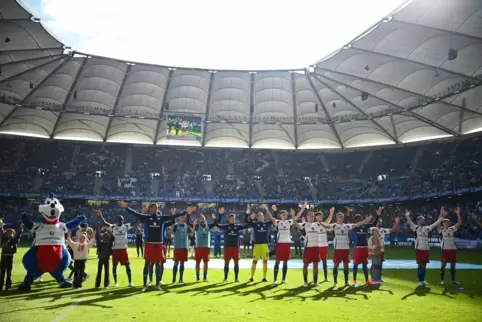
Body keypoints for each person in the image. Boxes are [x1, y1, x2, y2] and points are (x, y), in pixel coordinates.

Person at [117, 203, 190, 291]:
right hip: (150, 244)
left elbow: (172, 217)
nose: (155, 209)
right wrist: (126, 207)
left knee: (158, 264)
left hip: (159, 244)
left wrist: (185, 212)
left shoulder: (161, 218)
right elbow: (135, 213)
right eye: (153, 207)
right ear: (151, 209)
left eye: (156, 207)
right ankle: (144, 285)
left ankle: (157, 284)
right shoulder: (147, 217)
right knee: (147, 264)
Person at [319, 212, 373, 287]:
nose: (341, 218)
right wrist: (319, 222)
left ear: (343, 218)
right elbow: (325, 226)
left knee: (346, 265)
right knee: (336, 265)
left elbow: (357, 225)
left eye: (342, 217)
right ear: (337, 218)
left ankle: (346, 282)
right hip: (338, 249)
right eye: (339, 217)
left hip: (345, 249)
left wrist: (365, 221)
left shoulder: (346, 226)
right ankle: (335, 282)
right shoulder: (334, 225)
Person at [405, 207, 446, 286]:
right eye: (421, 219)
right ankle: (420, 281)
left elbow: (435, 224)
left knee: (424, 265)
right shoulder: (416, 228)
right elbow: (410, 223)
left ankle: (423, 280)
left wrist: (441, 217)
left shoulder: (427, 228)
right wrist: (407, 216)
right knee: (420, 265)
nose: (423, 220)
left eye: (423, 219)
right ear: (418, 221)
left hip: (426, 249)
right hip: (419, 249)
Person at [267, 204, 305, 285]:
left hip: (287, 244)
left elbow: (297, 216)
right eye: (283, 215)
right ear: (280, 216)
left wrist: (303, 207)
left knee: (285, 262)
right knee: (277, 261)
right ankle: (275, 279)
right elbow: (271, 218)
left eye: (285, 215)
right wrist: (267, 210)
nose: (284, 216)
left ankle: (283, 279)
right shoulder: (278, 222)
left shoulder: (289, 222)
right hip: (280, 244)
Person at [97, 209, 135, 287]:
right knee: (114, 266)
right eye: (119, 220)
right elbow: (105, 223)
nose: (121, 221)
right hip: (116, 250)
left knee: (127, 265)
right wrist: (101, 216)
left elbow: (134, 222)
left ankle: (130, 282)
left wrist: (142, 213)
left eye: (122, 220)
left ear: (123, 220)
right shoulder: (113, 227)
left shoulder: (126, 226)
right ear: (117, 220)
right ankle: (116, 282)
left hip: (124, 249)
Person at [212, 212, 250, 282]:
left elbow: (247, 226)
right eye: (231, 218)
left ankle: (236, 278)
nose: (233, 219)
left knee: (236, 263)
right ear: (229, 219)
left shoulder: (238, 226)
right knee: (226, 263)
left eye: (234, 218)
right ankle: (225, 278)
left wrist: (247, 215)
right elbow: (218, 225)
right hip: (228, 247)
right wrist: (215, 218)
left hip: (235, 248)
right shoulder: (226, 226)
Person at [350, 207, 381, 287]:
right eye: (357, 219)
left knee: (364, 264)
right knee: (356, 264)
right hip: (358, 248)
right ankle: (354, 280)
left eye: (360, 219)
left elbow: (374, 224)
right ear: (355, 221)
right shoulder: (354, 227)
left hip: (364, 248)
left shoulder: (365, 226)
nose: (359, 220)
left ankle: (367, 281)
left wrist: (378, 216)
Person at [246, 205, 276, 283]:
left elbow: (273, 219)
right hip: (257, 245)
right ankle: (252, 277)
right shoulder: (254, 224)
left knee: (265, 261)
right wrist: (248, 213)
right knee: (254, 261)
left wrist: (269, 211)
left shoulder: (267, 223)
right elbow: (247, 221)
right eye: (259, 216)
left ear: (263, 217)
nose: (260, 217)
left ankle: (264, 277)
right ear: (257, 217)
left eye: (261, 216)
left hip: (265, 245)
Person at [293, 211, 323, 287]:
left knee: (316, 265)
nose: (311, 217)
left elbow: (326, 224)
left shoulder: (317, 224)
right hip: (308, 248)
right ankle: (305, 282)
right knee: (305, 265)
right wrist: (293, 216)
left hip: (316, 247)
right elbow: (296, 224)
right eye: (310, 216)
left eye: (312, 216)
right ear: (307, 217)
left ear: (314, 217)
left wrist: (330, 214)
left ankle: (315, 281)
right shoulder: (305, 224)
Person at [368, 215, 399, 283]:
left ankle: (379, 278)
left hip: (381, 250)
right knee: (374, 264)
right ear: (376, 222)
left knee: (380, 264)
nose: (380, 223)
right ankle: (373, 278)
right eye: (378, 221)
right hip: (375, 250)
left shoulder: (383, 230)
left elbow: (392, 230)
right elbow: (367, 230)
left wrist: (396, 223)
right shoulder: (372, 229)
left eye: (381, 222)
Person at [171, 207, 195, 284]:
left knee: (182, 263)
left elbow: (191, 234)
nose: (183, 218)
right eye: (181, 217)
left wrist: (194, 226)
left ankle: (181, 279)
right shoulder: (176, 225)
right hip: (177, 247)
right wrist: (173, 218)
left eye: (183, 217)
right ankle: (174, 279)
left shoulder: (186, 226)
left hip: (184, 247)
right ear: (179, 217)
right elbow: (171, 231)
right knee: (176, 263)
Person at [440, 207, 463, 285]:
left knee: (453, 266)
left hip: (452, 250)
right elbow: (437, 223)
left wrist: (458, 214)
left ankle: (453, 280)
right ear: (442, 224)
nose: (445, 223)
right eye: (444, 222)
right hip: (445, 250)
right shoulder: (441, 230)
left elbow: (459, 223)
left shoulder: (452, 229)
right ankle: (442, 280)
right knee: (443, 265)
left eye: (447, 222)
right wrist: (441, 214)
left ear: (449, 224)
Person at [192, 214, 215, 282]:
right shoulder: (197, 226)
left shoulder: (208, 225)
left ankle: (205, 277)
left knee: (206, 262)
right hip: (198, 246)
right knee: (197, 262)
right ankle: (197, 277)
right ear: (199, 220)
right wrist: (193, 224)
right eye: (201, 218)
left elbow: (216, 223)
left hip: (206, 247)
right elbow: (190, 224)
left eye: (203, 217)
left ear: (205, 218)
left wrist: (215, 218)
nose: (202, 219)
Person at [316, 207, 335, 283]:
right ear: (316, 217)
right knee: (316, 263)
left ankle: (326, 277)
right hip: (317, 246)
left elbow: (328, 220)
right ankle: (315, 279)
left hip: (324, 246)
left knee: (324, 262)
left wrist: (331, 213)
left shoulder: (324, 224)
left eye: (321, 216)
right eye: (318, 216)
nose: (320, 217)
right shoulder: (314, 224)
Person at [0, 226, 21, 291]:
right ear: (6, 233)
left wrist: (20, 230)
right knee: (2, 272)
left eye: (11, 233)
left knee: (9, 273)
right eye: (8, 233)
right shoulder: (4, 239)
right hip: (4, 256)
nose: (10, 234)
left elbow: (17, 237)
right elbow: (1, 233)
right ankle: (0, 286)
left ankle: (8, 286)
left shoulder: (13, 240)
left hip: (10, 257)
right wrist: (1, 227)